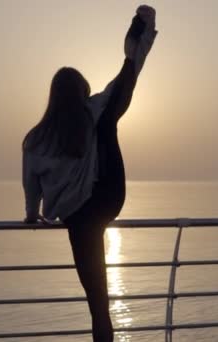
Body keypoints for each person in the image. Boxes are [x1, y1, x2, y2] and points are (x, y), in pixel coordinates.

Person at [22, 6, 157, 342]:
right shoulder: (93, 112)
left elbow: (31, 183)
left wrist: (31, 213)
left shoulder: (35, 139)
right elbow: (126, 80)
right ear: (82, 93)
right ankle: (135, 37)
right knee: (111, 108)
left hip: (80, 217)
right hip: (109, 197)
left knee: (98, 303)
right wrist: (135, 51)